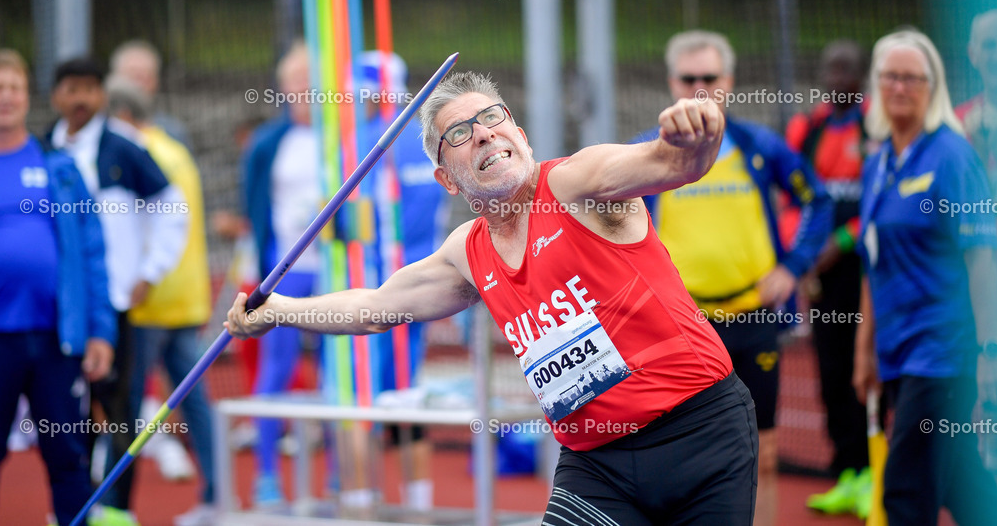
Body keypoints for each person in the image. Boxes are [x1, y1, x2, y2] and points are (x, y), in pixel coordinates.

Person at [227, 71, 759, 525]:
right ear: (447, 180)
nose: (482, 134)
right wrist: (279, 312)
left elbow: (671, 165)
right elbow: (375, 308)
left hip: (699, 433)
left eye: (492, 118)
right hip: (597, 462)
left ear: (521, 136)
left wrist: (697, 136)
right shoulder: (467, 253)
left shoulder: (576, 184)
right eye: (459, 133)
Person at [637, 30, 832, 526]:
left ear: (728, 82)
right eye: (689, 78)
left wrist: (793, 266)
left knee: (761, 452)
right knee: (680, 454)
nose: (699, 88)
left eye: (710, 78)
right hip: (680, 329)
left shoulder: (759, 147)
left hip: (753, 319)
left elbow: (817, 201)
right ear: (670, 82)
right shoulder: (646, 154)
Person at [852, 29, 997, 525]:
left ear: (933, 85)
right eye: (891, 77)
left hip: (944, 354)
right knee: (964, 484)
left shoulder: (953, 156)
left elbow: (980, 257)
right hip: (899, 355)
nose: (900, 87)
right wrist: (865, 351)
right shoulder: (878, 163)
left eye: (912, 78)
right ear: (878, 85)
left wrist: (990, 352)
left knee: (906, 490)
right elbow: (872, 260)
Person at [50, 57, 188, 525]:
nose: (81, 98)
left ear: (102, 95)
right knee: (67, 411)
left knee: (121, 413)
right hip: (63, 310)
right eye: (72, 88)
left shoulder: (125, 149)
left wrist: (149, 272)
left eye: (90, 88)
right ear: (56, 97)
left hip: (116, 308)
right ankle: (74, 508)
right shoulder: (46, 153)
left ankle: (116, 512)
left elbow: (174, 207)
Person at [0, 49, 115, 526]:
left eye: (13, 88)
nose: (5, 98)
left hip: (55, 342)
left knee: (68, 459)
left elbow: (92, 254)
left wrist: (100, 332)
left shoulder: (58, 168)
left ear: (27, 97)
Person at [107, 78, 218, 526]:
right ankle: (218, 495)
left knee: (125, 408)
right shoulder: (175, 150)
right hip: (186, 297)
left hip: (150, 301)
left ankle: (114, 507)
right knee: (193, 402)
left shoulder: (138, 153)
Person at [781, 41, 872, 516]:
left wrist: (843, 240)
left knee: (868, 369)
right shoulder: (807, 128)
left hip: (867, 270)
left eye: (847, 69)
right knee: (831, 369)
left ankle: (873, 470)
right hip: (820, 274)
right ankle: (846, 472)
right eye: (830, 68)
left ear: (862, 76)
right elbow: (795, 198)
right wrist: (805, 253)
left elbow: (880, 198)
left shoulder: (874, 126)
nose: (837, 77)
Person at [357, 50, 449, 511]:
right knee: (407, 391)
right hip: (426, 286)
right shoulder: (429, 140)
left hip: (373, 289)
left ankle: (360, 502)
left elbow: (346, 222)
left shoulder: (364, 141)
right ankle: (419, 507)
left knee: (361, 397)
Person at [241, 42, 323, 505]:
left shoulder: (344, 137)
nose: (304, 90)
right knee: (277, 367)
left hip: (332, 270)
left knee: (336, 373)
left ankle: (337, 478)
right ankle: (267, 476)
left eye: (311, 81)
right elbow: (253, 203)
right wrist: (259, 266)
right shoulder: (269, 142)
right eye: (295, 82)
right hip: (283, 270)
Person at [958, 10, 997, 508]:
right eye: (989, 46)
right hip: (989, 306)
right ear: (973, 53)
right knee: (996, 431)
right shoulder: (958, 127)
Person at [110, 40, 192, 151]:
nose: (138, 86)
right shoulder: (97, 129)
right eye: (133, 76)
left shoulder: (172, 131)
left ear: (156, 82)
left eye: (146, 77)